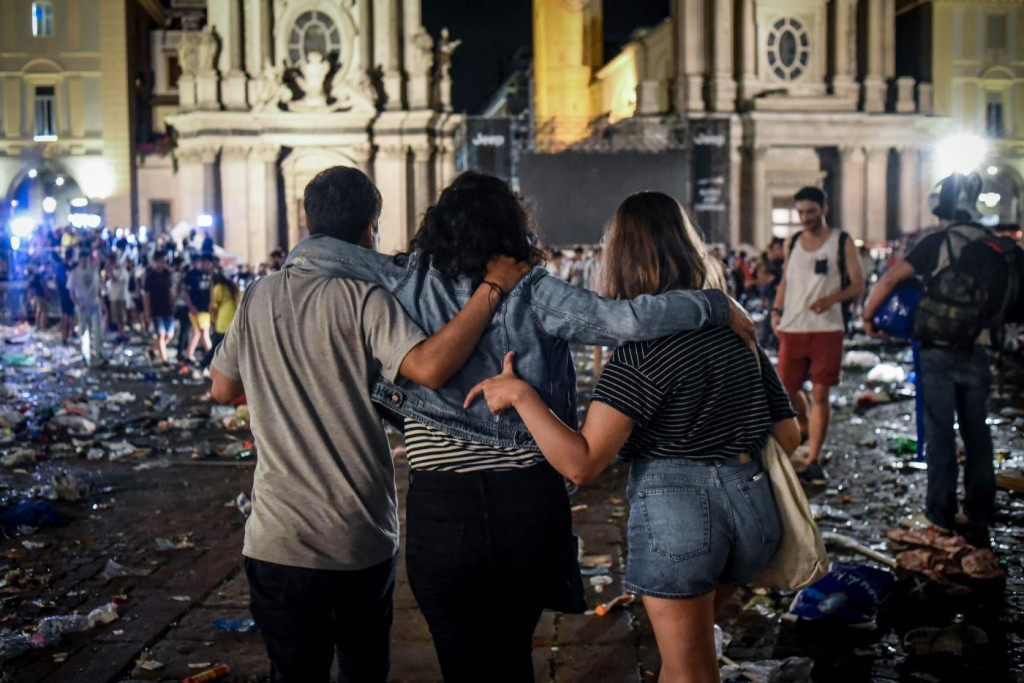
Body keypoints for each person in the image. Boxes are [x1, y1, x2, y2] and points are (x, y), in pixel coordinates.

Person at [284, 170, 754, 682]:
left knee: (460, 663)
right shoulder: (532, 288)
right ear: (513, 227)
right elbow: (626, 321)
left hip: (442, 507)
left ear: (437, 226)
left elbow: (325, 254)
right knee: (512, 659)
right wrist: (713, 303)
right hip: (526, 504)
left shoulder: (402, 278)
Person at [209, 166, 529, 683]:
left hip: (276, 538)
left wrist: (283, 380)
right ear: (369, 229)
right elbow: (428, 367)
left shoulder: (256, 297)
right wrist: (490, 291)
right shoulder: (363, 299)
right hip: (357, 536)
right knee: (363, 672)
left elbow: (222, 389)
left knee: (292, 675)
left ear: (306, 220)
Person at [465, 191, 800, 683]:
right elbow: (788, 434)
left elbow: (583, 462)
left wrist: (520, 396)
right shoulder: (737, 332)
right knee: (684, 657)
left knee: (690, 671)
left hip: (680, 520)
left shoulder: (642, 354)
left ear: (619, 260)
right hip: (753, 511)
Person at [862, 173, 1001, 544]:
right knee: (977, 431)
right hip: (978, 347)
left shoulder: (938, 242)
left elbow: (891, 280)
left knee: (940, 432)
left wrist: (867, 316)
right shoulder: (992, 244)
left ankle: (940, 513)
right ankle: (978, 509)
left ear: (944, 212)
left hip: (937, 348)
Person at [771, 187, 865, 483]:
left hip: (827, 328)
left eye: (810, 211)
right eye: (800, 212)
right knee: (785, 389)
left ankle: (813, 458)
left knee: (821, 393)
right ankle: (805, 425)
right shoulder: (793, 242)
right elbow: (786, 279)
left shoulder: (841, 242)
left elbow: (858, 284)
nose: (805, 217)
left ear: (824, 209)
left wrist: (831, 299)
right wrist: (776, 311)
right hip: (793, 326)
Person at [67, 249, 106, 366]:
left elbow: (99, 286)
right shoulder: (74, 273)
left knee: (98, 331)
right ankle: (85, 355)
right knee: (83, 332)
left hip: (95, 305)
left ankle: (98, 352)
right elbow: (71, 292)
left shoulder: (94, 270)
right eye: (83, 260)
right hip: (82, 307)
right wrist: (78, 304)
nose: (85, 262)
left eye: (87, 260)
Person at [202, 266, 239, 370]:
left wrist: (213, 321)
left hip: (223, 321)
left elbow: (214, 308)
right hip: (233, 319)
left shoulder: (218, 288)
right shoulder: (231, 286)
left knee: (217, 346)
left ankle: (206, 364)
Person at [143, 251, 175, 365]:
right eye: (160, 261)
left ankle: (153, 350)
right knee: (161, 334)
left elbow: (171, 290)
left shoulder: (167, 274)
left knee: (169, 335)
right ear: (155, 262)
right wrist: (147, 312)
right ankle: (164, 360)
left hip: (167, 308)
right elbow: (146, 295)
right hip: (155, 309)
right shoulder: (150, 276)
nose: (162, 264)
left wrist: (173, 303)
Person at [183, 253, 213, 363]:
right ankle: (212, 355)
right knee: (204, 333)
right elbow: (186, 292)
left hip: (205, 308)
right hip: (198, 308)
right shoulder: (191, 275)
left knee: (196, 333)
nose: (209, 265)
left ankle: (189, 354)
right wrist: (191, 306)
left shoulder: (208, 274)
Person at [104, 255, 131, 340]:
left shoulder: (122, 271)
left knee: (121, 318)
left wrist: (109, 270)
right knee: (116, 318)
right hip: (113, 297)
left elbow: (115, 280)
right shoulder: (112, 271)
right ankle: (120, 334)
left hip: (120, 297)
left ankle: (122, 334)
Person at [54, 255, 75, 344]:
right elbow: (59, 280)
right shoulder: (60, 267)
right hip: (65, 295)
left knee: (70, 316)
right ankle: (64, 337)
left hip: (70, 295)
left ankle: (68, 335)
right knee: (65, 316)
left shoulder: (69, 267)